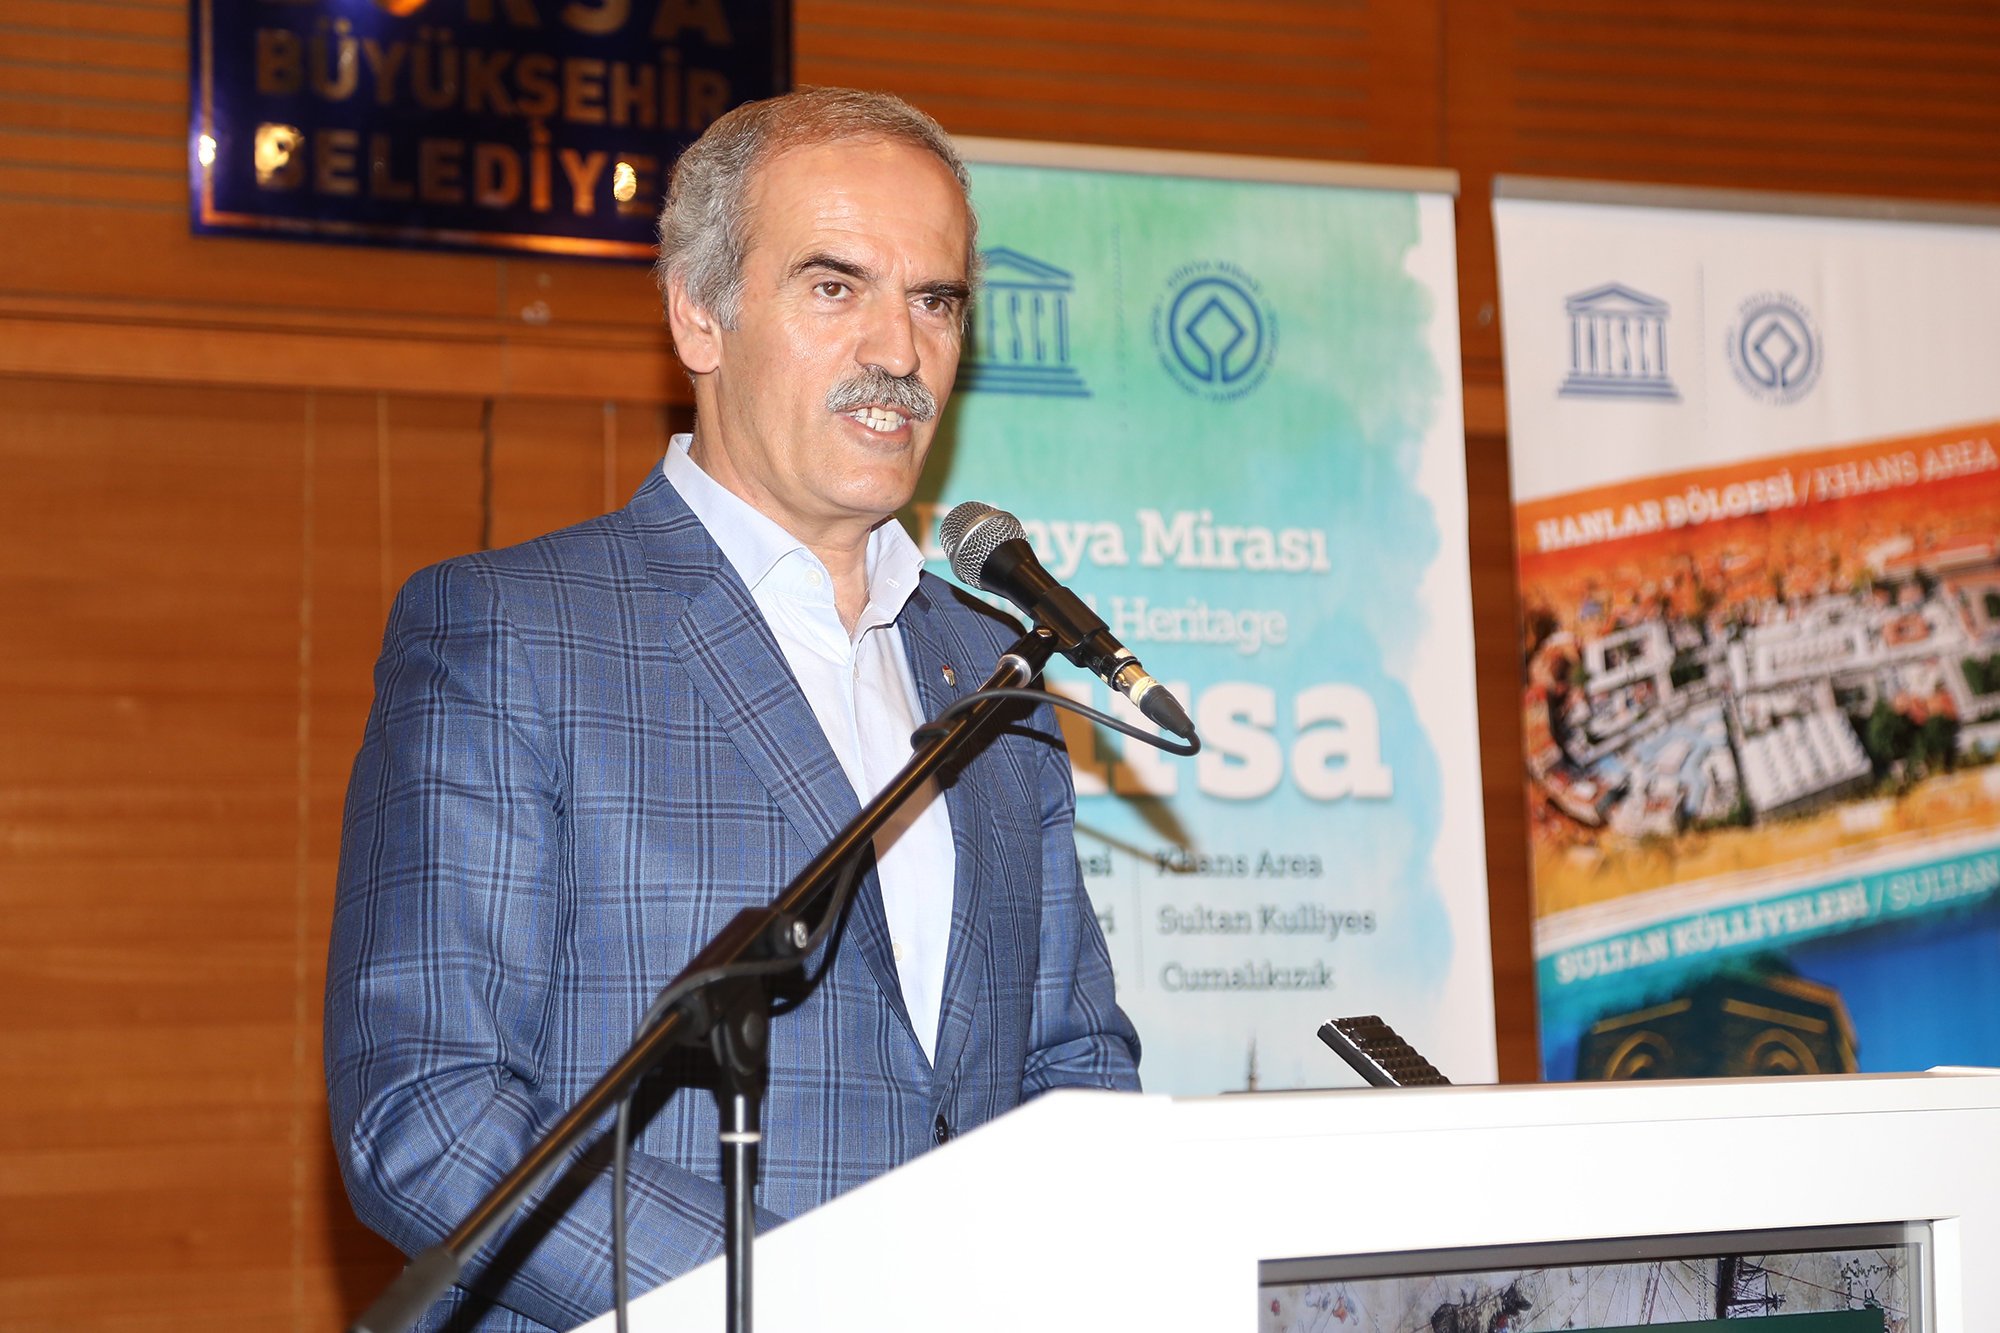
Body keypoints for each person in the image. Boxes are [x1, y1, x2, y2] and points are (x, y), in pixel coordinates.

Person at [324, 87, 1141, 1333]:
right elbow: (425, 1113)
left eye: (933, 300)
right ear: (697, 314)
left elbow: (1070, 1064)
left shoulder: (990, 669)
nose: (898, 347)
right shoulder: (514, 632)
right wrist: (815, 1305)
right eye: (835, 286)